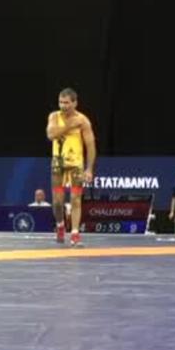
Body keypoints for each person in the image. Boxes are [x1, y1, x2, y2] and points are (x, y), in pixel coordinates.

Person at [46, 87, 96, 247]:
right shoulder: (54, 116)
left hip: (76, 164)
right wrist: (69, 126)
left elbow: (90, 145)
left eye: (67, 103)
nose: (63, 106)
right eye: (61, 102)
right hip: (58, 163)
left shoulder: (83, 121)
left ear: (75, 103)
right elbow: (51, 135)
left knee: (75, 199)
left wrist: (89, 169)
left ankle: (75, 234)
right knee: (57, 202)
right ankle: (60, 225)